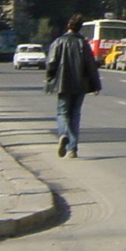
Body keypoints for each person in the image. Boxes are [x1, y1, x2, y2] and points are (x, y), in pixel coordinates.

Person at [44, 15, 101, 158]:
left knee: (62, 113)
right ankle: (72, 149)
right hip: (80, 84)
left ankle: (64, 134)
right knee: (75, 115)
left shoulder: (58, 42)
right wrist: (96, 85)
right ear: (80, 28)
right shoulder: (84, 44)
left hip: (63, 84)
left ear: (68, 26)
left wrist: (50, 79)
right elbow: (91, 66)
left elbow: (51, 63)